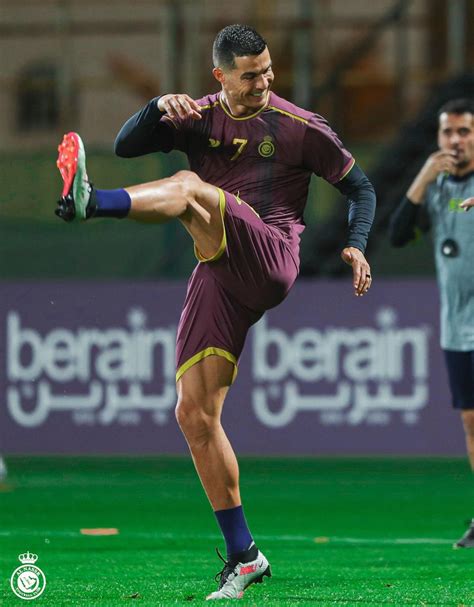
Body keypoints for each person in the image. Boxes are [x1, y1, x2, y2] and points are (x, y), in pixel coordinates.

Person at [55, 24, 375, 599]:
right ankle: (244, 554)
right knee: (193, 414)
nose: (264, 81)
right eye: (250, 74)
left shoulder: (301, 127)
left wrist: (358, 241)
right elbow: (127, 145)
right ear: (220, 76)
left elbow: (363, 190)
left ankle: (92, 202)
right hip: (220, 269)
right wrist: (155, 108)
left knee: (188, 184)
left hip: (271, 254)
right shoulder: (198, 114)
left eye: (268, 70)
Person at [389, 98, 474, 548]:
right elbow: (399, 234)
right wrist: (424, 175)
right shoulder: (439, 189)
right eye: (448, 133)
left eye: (464, 132)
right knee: (472, 423)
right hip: (458, 328)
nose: (456, 141)